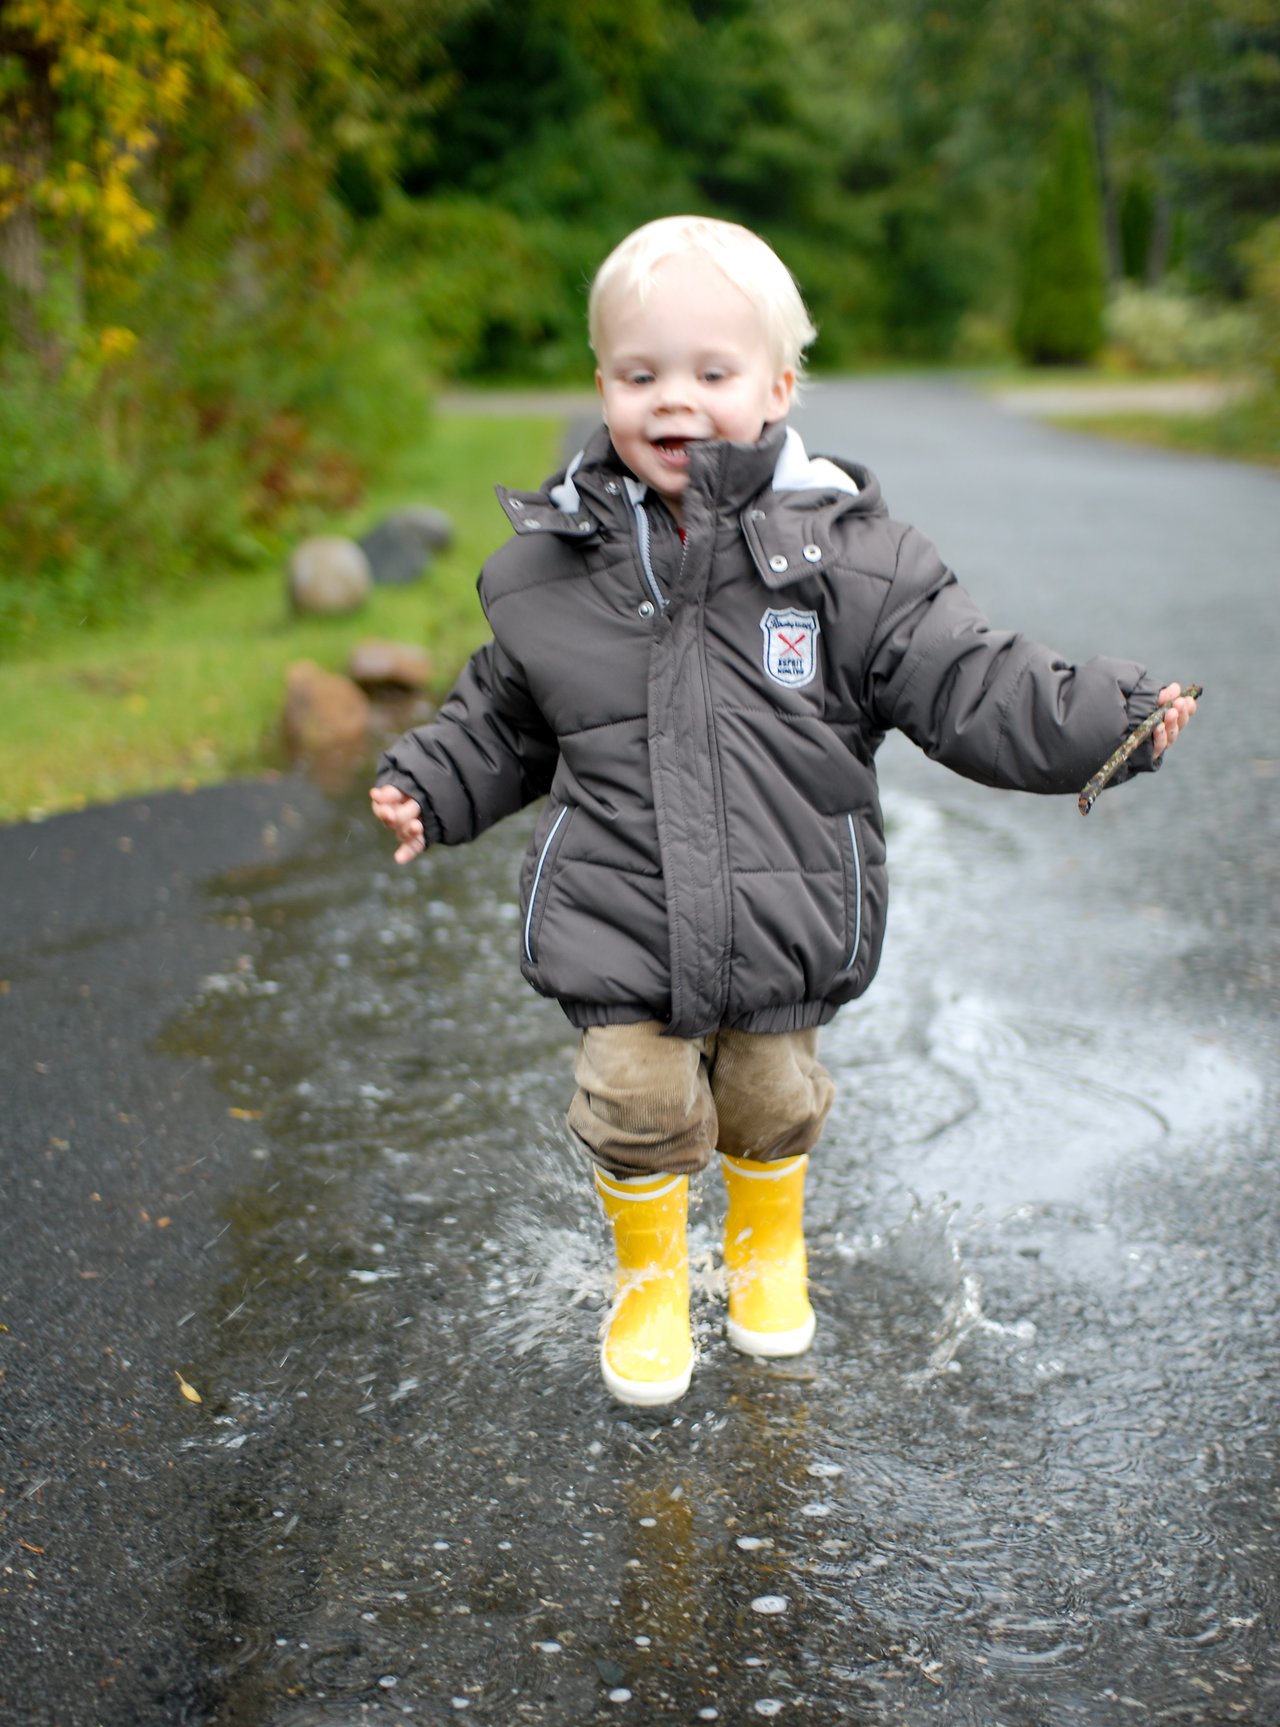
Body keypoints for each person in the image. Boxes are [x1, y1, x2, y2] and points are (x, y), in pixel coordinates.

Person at [370, 215, 1196, 1409]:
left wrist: (1104, 720)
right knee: (634, 1098)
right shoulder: (557, 570)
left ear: (776, 384)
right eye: (638, 374)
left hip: (782, 906)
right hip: (620, 906)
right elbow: (502, 718)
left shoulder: (848, 562)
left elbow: (969, 678)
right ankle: (651, 1279)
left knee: (770, 1098)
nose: (674, 401)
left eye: (711, 373)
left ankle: (762, 1249)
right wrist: (430, 783)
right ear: (600, 382)